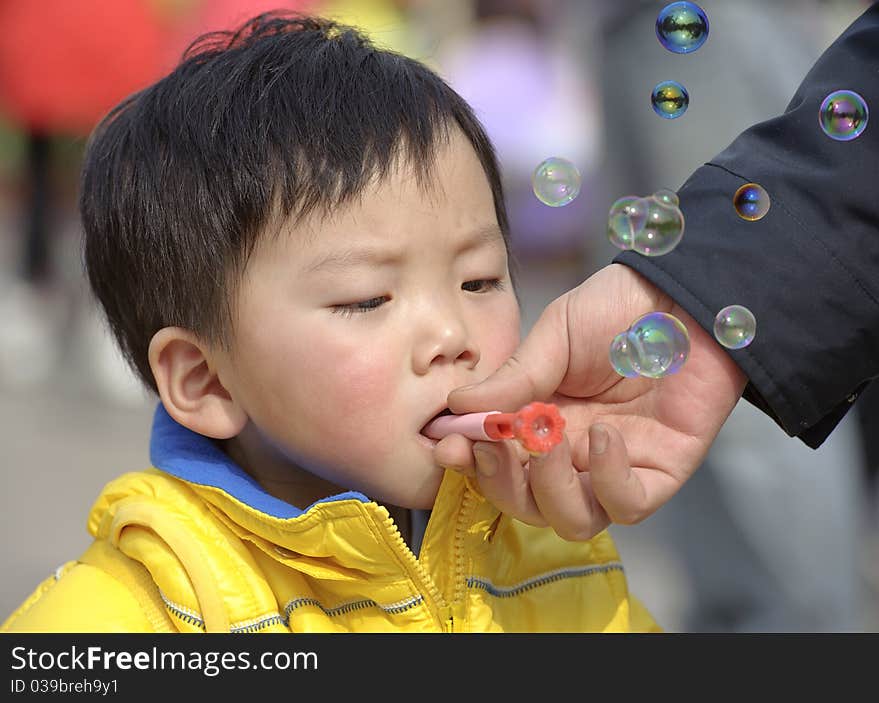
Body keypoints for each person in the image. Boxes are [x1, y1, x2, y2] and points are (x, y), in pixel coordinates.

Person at [1, 12, 658, 633]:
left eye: (479, 280)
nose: (452, 337)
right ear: (207, 381)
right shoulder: (130, 619)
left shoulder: (557, 549)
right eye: (368, 299)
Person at [442, 2, 879, 545]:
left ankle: (799, 617)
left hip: (681, 15)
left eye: (480, 281)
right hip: (613, 21)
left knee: (748, 400)